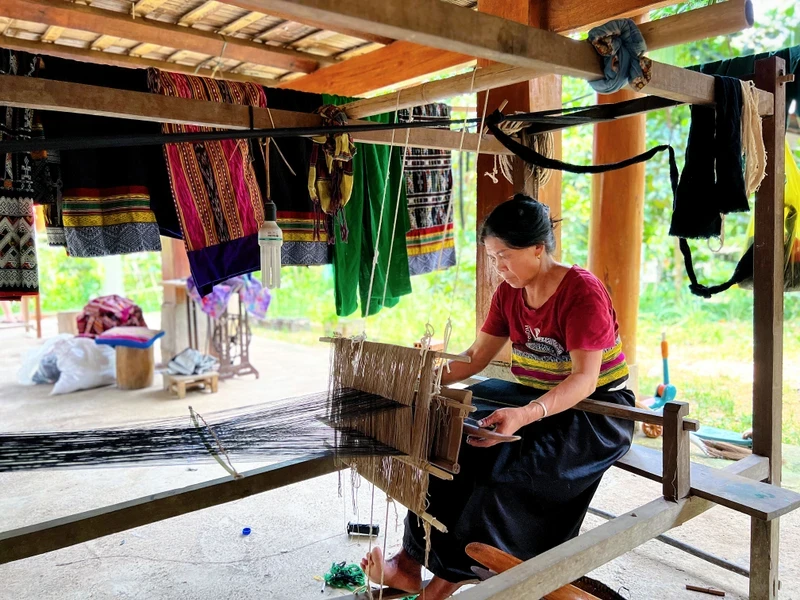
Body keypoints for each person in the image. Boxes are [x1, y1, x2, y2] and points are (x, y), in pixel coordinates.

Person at [361, 194, 635, 599]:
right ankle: (407, 563)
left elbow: (584, 380)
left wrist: (525, 415)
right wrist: (419, 383)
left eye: (504, 255)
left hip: (595, 412)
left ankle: (441, 585)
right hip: (532, 396)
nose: (498, 266)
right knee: (449, 446)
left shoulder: (582, 292)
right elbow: (474, 357)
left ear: (538, 248)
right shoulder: (510, 292)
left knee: (499, 477)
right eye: (492, 257)